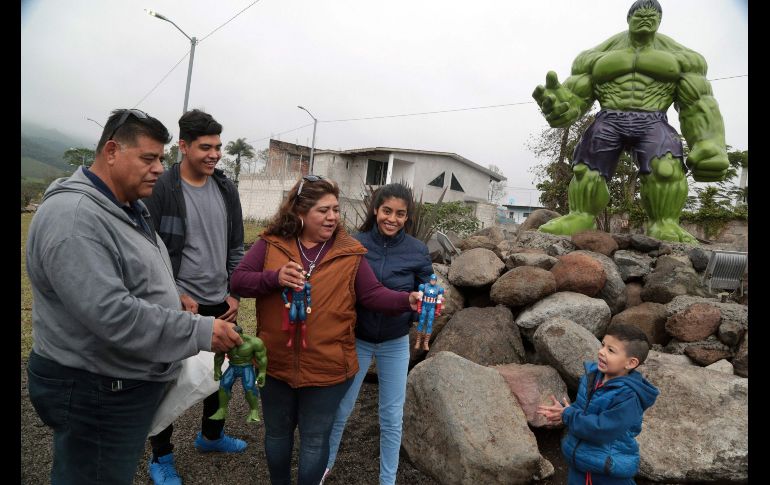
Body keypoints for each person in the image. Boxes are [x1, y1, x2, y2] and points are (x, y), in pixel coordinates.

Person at [25, 108, 242, 485]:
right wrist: (198, 331)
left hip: (117, 378)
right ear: (111, 151)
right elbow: (111, 315)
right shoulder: (76, 218)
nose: (159, 167)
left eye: (160, 157)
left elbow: (141, 270)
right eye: (148, 158)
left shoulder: (128, 207)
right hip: (95, 387)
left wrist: (178, 296)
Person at [230, 175, 421, 485]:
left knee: (315, 441)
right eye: (323, 210)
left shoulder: (349, 252)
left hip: (327, 367)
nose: (332, 217)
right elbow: (239, 281)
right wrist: (274, 277)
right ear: (300, 212)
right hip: (275, 363)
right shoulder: (271, 244)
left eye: (335, 209)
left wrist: (407, 299)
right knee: (277, 435)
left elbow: (373, 295)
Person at [532, 0, 729, 243]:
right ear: (629, 18)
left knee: (666, 168)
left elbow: (698, 102)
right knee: (586, 169)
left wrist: (709, 142)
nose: (646, 18)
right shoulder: (594, 57)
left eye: (652, 15)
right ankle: (580, 216)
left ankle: (664, 224)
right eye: (639, 14)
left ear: (659, 20)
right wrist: (561, 107)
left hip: (653, 118)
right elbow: (576, 97)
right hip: (609, 116)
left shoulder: (684, 59)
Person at [142, 109, 246, 484]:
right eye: (206, 147)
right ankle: (162, 456)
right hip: (179, 304)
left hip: (221, 301)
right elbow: (148, 250)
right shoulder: (161, 189)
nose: (215, 154)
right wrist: (176, 293)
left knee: (223, 374)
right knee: (168, 378)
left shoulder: (226, 188)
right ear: (183, 146)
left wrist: (235, 290)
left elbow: (236, 246)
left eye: (218, 146)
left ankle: (210, 437)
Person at [325, 183, 433, 485]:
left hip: (395, 343)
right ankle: (323, 468)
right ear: (375, 209)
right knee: (341, 408)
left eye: (400, 214)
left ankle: (388, 480)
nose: (392, 219)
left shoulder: (417, 250)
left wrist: (421, 311)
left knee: (391, 415)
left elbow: (425, 291)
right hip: (355, 338)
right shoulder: (354, 244)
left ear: (407, 217)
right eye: (387, 211)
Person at [537, 323, 660, 485]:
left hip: (607, 469)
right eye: (603, 345)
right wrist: (565, 411)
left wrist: (568, 415)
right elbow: (585, 409)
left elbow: (602, 429)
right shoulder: (592, 378)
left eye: (611, 350)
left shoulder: (628, 397)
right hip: (580, 463)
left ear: (630, 363)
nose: (601, 352)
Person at [210, 326, 268, 423]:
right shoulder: (226, 341)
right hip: (232, 366)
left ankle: (254, 411)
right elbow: (219, 356)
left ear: (240, 334)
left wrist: (262, 372)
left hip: (246, 367)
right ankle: (222, 410)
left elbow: (262, 358)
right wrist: (217, 369)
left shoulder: (254, 343)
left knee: (249, 387)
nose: (234, 340)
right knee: (223, 385)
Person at [414, 273, 445, 351]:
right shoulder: (424, 286)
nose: (433, 281)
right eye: (432, 280)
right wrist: (419, 307)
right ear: (430, 280)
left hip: (431, 308)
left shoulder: (439, 289)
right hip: (424, 306)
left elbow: (438, 301)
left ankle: (425, 343)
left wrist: (437, 310)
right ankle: (418, 341)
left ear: (436, 281)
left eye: (434, 280)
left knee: (430, 323)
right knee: (421, 322)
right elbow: (420, 298)